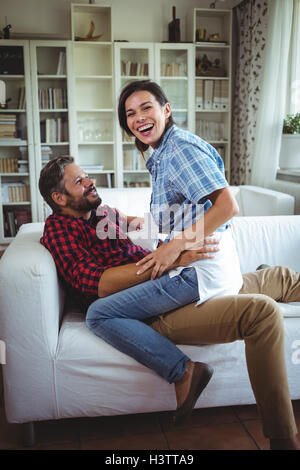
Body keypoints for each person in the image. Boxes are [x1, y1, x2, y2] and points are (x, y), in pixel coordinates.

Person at [39, 158, 300, 450]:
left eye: (86, 176)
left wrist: (171, 238)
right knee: (259, 309)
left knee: (281, 276)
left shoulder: (100, 213)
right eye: (79, 181)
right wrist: (167, 260)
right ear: (59, 198)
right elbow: (96, 283)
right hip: (147, 304)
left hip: (168, 281)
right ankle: (185, 372)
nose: (90, 182)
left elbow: (132, 222)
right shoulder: (60, 230)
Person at [85, 80, 245, 423]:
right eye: (130, 113)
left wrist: (174, 247)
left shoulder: (179, 148)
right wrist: (137, 223)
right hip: (204, 267)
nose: (139, 118)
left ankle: (183, 371)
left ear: (166, 110)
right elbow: (185, 212)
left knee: (99, 314)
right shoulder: (163, 153)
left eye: (146, 108)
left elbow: (226, 207)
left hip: (197, 272)